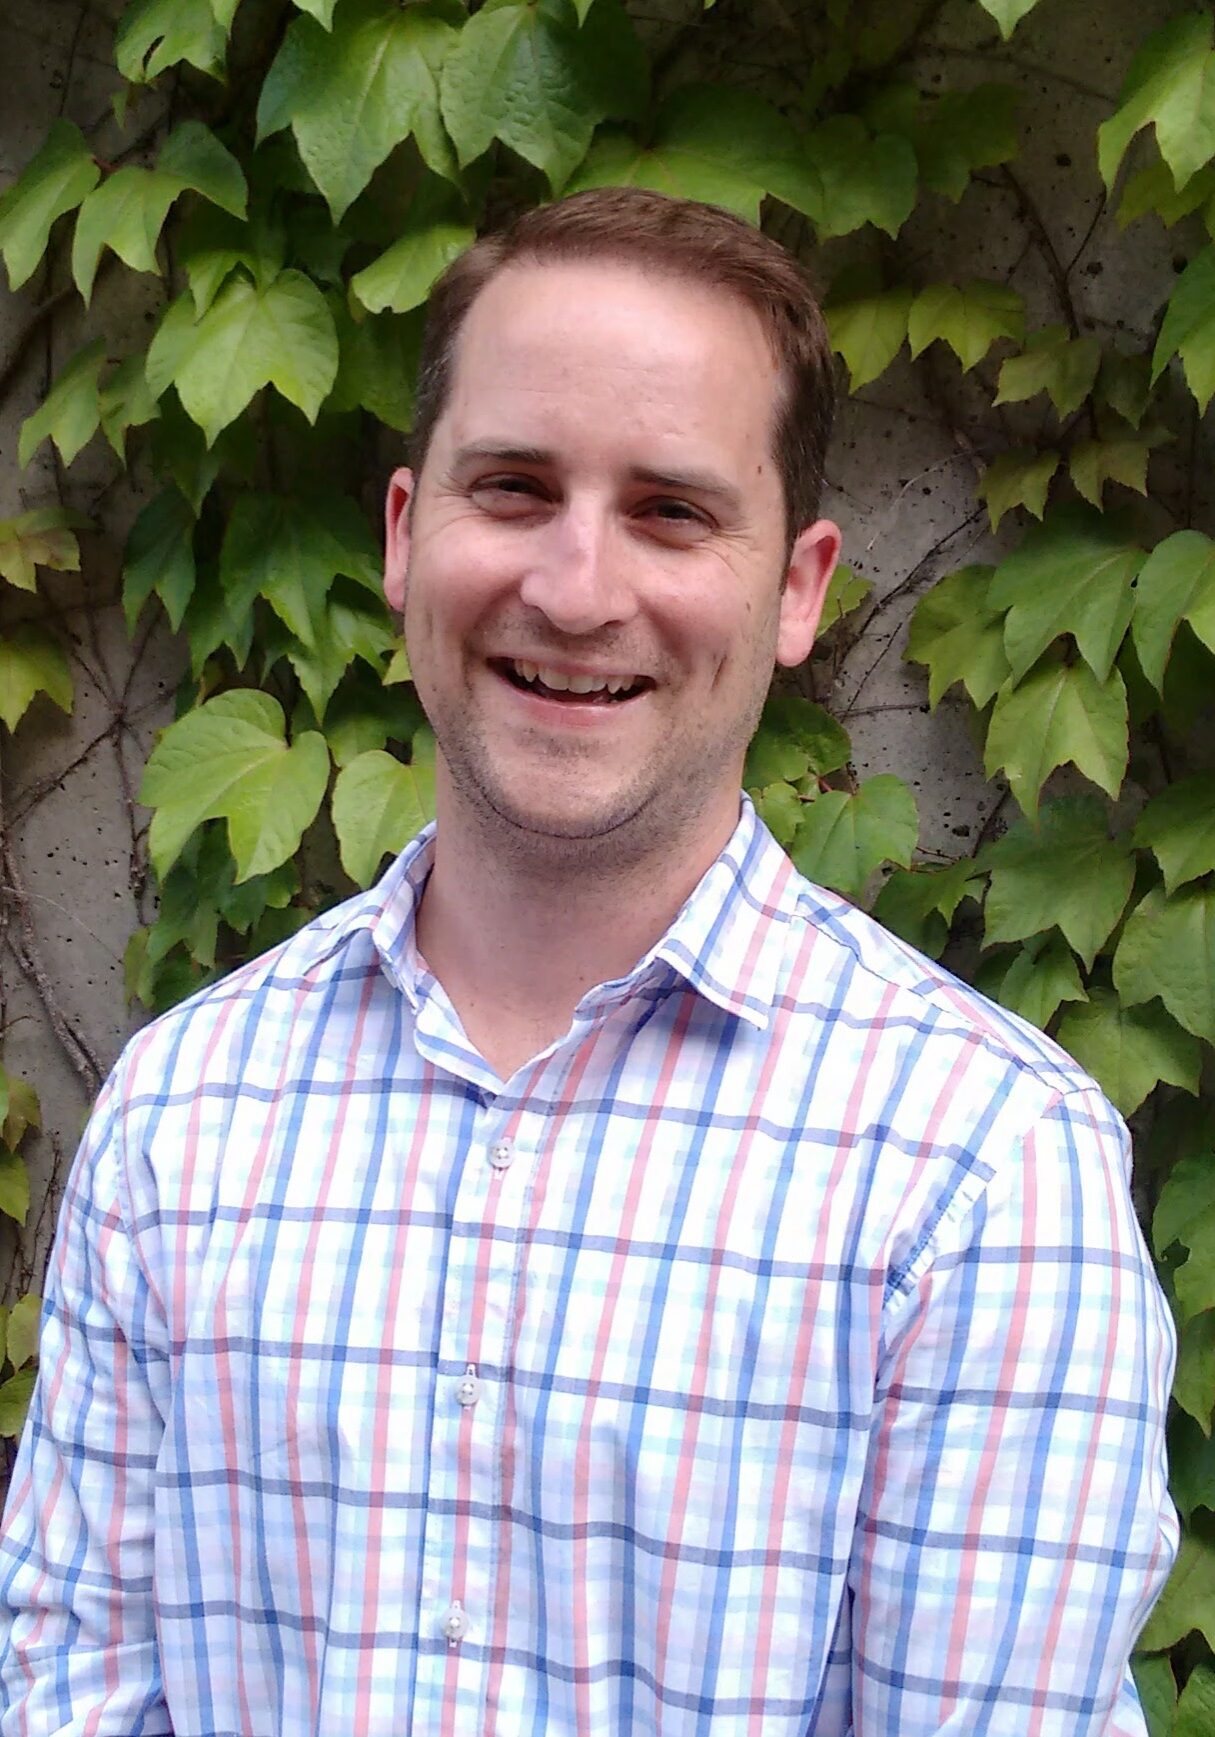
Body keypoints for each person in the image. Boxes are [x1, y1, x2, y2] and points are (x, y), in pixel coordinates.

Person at [0, 187, 1176, 1735]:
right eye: (515, 487)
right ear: (409, 533)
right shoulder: (182, 1114)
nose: (574, 587)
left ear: (800, 586)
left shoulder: (983, 1168)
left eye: (673, 511)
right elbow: (74, 1697)